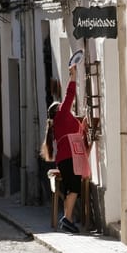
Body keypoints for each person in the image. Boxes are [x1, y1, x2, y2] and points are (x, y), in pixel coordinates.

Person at [41, 64, 85, 233]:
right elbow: (70, 94)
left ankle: (68, 220)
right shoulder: (62, 114)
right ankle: (66, 219)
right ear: (59, 109)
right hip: (70, 157)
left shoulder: (57, 123)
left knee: (69, 190)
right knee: (74, 189)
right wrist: (73, 76)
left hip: (63, 159)